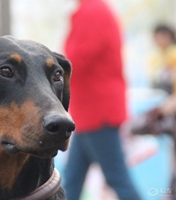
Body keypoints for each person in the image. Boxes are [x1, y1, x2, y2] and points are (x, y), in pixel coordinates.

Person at [62, 0, 141, 199]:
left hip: (97, 112)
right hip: (89, 113)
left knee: (117, 179)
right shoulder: (93, 9)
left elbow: (76, 59)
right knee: (71, 181)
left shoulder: (93, 11)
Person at [147, 23, 176, 94]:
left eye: (161, 37)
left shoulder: (173, 52)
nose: (158, 40)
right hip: (159, 90)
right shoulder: (154, 56)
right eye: (156, 37)